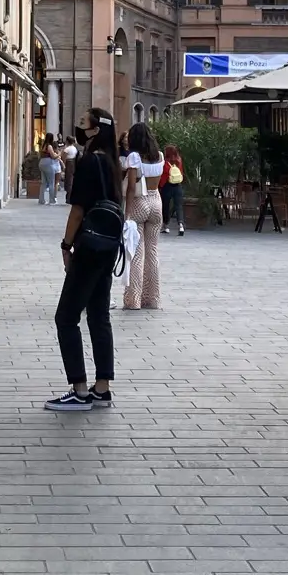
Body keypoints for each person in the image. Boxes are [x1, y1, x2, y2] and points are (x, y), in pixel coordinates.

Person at [48, 108, 122, 412]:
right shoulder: (113, 161)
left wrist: (66, 245)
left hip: (89, 246)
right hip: (108, 245)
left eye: (83, 123)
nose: (79, 127)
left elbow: (77, 210)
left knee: (66, 317)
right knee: (98, 315)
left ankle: (79, 390)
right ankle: (102, 387)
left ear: (96, 130)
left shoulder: (90, 161)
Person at [121, 121, 165, 310]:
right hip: (156, 201)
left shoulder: (134, 157)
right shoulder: (160, 156)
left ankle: (133, 300)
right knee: (152, 252)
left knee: (136, 254)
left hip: (139, 202)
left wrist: (127, 213)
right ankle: (153, 298)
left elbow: (132, 187)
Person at [160, 141, 186, 234]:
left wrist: (160, 186)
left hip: (167, 186)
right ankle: (181, 225)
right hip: (178, 185)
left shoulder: (165, 162)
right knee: (178, 206)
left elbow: (163, 176)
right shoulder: (179, 160)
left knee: (166, 206)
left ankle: (166, 226)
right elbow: (181, 172)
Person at [38, 135, 61, 206]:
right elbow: (53, 156)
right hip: (48, 164)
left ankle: (41, 200)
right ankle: (52, 200)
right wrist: (59, 154)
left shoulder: (43, 145)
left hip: (41, 163)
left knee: (43, 183)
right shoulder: (49, 146)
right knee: (51, 182)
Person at [60, 130, 80, 202]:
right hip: (73, 164)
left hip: (68, 164)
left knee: (68, 180)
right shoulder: (74, 148)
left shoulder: (67, 149)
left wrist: (63, 167)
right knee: (71, 179)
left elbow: (64, 158)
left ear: (67, 141)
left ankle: (68, 196)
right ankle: (69, 196)